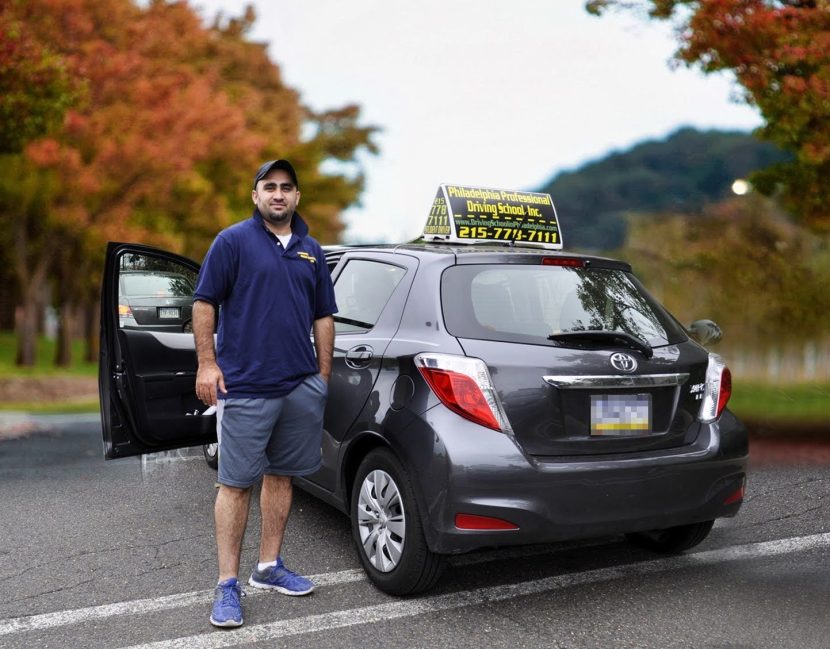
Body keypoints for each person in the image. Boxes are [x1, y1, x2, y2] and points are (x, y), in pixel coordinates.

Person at [192, 159, 336, 628]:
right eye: (269, 187)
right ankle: (227, 584)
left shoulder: (312, 250)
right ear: (256, 196)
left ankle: (269, 568)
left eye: (287, 188)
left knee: (282, 477)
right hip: (247, 386)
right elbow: (204, 302)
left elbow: (323, 317)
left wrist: (322, 378)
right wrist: (208, 364)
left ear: (297, 197)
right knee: (235, 484)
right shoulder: (232, 241)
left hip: (299, 386)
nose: (279, 194)